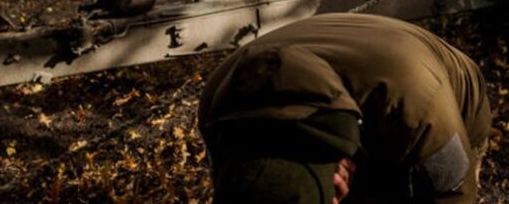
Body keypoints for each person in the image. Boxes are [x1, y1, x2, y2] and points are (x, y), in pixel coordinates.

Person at [197, 13, 491, 204]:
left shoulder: (419, 112)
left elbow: (453, 193)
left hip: (443, 92)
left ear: (343, 176)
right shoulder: (221, 106)